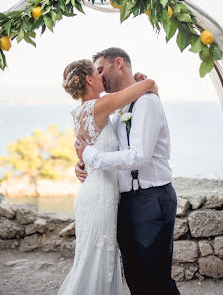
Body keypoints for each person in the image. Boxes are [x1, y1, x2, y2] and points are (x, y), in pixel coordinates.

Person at [75, 47, 180, 295]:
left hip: (151, 199)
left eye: (101, 69)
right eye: (95, 72)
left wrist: (91, 156)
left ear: (118, 63)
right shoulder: (119, 108)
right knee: (136, 280)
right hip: (126, 202)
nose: (100, 77)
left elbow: (138, 157)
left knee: (156, 281)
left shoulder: (146, 102)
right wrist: (83, 164)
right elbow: (106, 144)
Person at [57, 58, 159, 295]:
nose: (102, 77)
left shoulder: (84, 111)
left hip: (94, 193)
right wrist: (143, 81)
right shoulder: (99, 106)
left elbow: (93, 149)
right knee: (95, 262)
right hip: (99, 197)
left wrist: (81, 164)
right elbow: (149, 84)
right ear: (90, 80)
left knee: (95, 260)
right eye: (98, 72)